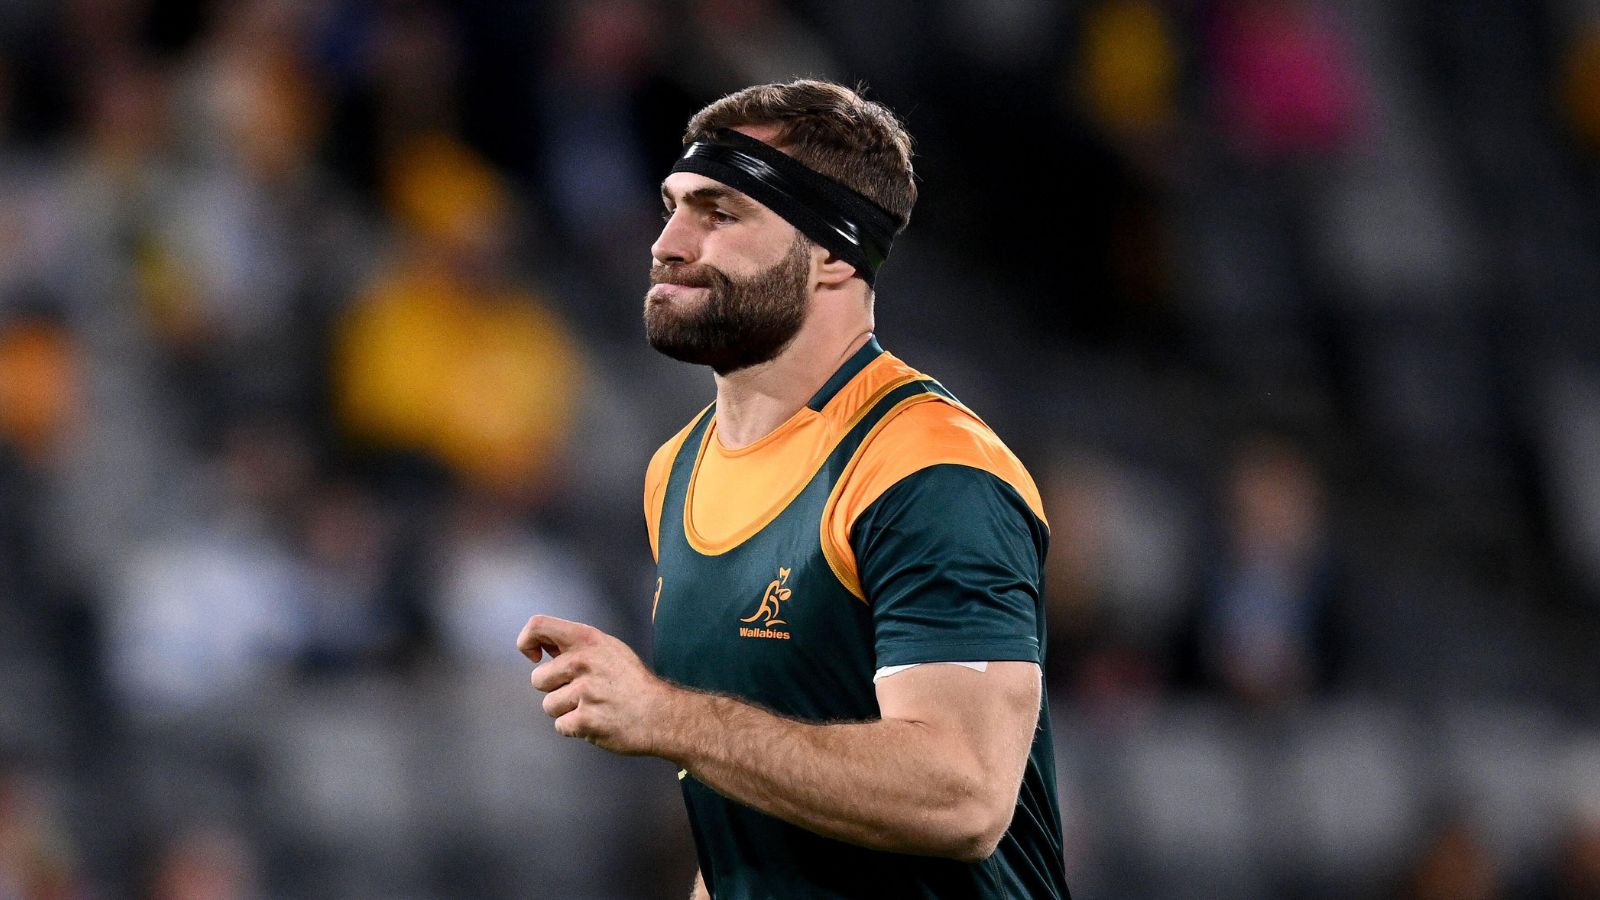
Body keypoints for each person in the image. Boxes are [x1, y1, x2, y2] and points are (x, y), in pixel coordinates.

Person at [518, 79, 1070, 899]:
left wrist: (665, 717)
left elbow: (965, 795)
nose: (668, 242)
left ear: (835, 252)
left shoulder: (930, 471)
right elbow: (748, 808)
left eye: (720, 213)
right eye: (672, 205)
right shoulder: (679, 469)